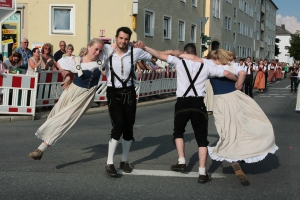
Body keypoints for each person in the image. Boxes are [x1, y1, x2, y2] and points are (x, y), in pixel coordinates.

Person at [144, 45, 240, 183]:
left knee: (178, 132)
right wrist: (238, 80)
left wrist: (146, 47)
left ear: (184, 53)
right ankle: (202, 173)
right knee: (202, 139)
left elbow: (159, 55)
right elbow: (226, 74)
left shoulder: (178, 61)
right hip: (198, 103)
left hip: (182, 102)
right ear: (195, 54)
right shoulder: (206, 65)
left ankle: (182, 161)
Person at [180, 50, 278, 184]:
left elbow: (193, 58)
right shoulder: (234, 66)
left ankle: (234, 158)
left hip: (221, 100)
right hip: (237, 98)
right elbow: (243, 73)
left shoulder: (210, 65)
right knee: (246, 125)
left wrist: (176, 54)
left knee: (226, 130)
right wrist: (239, 84)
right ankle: (245, 152)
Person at [28, 38, 114, 160]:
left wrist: (134, 44)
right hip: (72, 91)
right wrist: (66, 75)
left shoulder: (101, 60)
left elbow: (116, 45)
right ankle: (45, 138)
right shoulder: (75, 60)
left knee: (65, 119)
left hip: (86, 95)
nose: (97, 52)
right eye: (95, 49)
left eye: (100, 50)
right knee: (54, 115)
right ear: (89, 47)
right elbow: (59, 63)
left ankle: (41, 149)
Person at [104, 27, 152, 177]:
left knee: (128, 127)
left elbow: (152, 56)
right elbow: (91, 48)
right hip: (113, 92)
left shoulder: (134, 52)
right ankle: (109, 162)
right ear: (116, 38)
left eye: (126, 39)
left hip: (130, 92)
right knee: (118, 124)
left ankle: (124, 161)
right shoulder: (106, 51)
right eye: (121, 38)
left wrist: (141, 45)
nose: (123, 41)